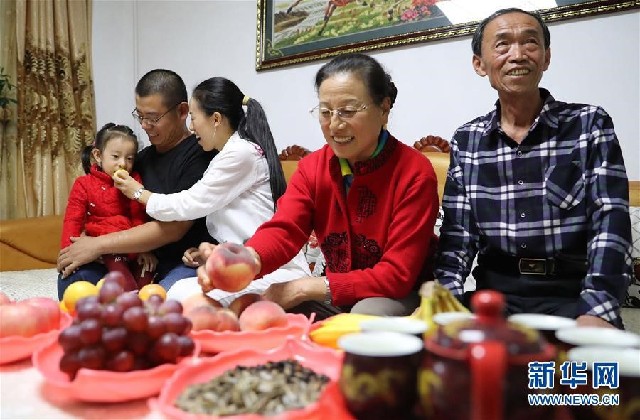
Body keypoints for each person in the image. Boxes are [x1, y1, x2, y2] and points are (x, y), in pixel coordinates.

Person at [197, 53, 439, 320]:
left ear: (384, 108)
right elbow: (285, 230)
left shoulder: (414, 172)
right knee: (255, 307)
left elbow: (397, 275)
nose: (334, 125)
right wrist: (246, 261)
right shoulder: (313, 168)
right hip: (339, 289)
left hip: (400, 292)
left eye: (348, 111)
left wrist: (306, 287)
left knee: (366, 313)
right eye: (325, 112)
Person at [434, 8, 633, 328]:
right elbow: (458, 236)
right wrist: (446, 301)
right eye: (502, 45)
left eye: (530, 42)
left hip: (574, 297)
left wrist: (597, 308)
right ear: (479, 64)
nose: (517, 54)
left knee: (598, 377)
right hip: (494, 297)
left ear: (546, 57)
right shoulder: (467, 140)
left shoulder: (589, 123)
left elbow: (610, 222)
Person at [114, 77, 310, 305]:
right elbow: (244, 226)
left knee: (177, 298)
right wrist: (213, 253)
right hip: (249, 263)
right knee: (175, 294)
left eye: (194, 119)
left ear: (215, 119)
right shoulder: (229, 153)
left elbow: (188, 204)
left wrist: (138, 192)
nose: (191, 126)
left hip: (275, 268)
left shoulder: (241, 154)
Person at [57, 69, 216, 295]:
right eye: (139, 116)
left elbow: (175, 228)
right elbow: (106, 202)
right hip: (132, 258)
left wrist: (99, 244)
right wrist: (85, 241)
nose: (144, 125)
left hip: (182, 261)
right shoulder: (138, 160)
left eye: (152, 118)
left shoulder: (199, 156)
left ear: (182, 111)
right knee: (76, 277)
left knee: (161, 303)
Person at [59, 123, 156, 296]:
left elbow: (138, 216)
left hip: (130, 244)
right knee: (115, 265)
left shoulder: (134, 181)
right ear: (98, 155)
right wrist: (69, 253)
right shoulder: (84, 184)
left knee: (148, 270)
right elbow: (73, 219)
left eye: (130, 158)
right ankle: (129, 296)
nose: (123, 164)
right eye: (116, 157)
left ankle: (144, 299)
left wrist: (144, 248)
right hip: (103, 246)